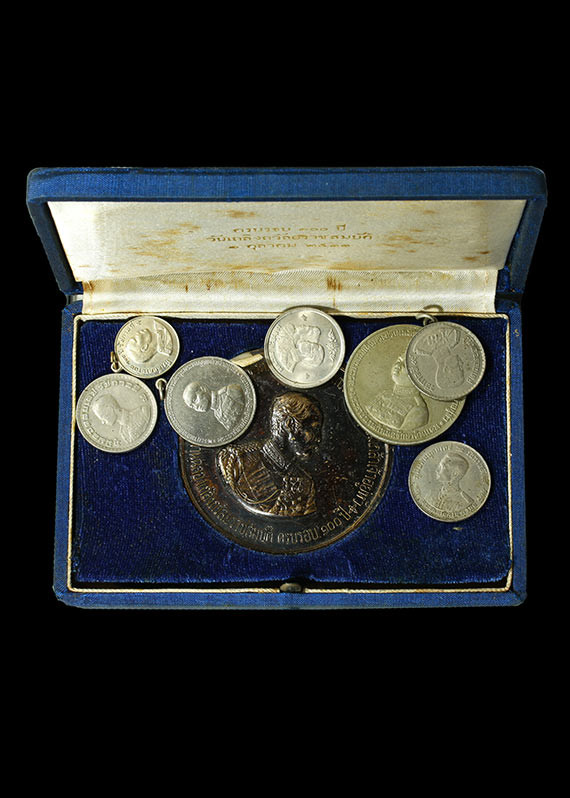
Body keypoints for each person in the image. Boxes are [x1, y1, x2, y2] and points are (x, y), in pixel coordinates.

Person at [217, 392, 323, 517]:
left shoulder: (305, 484)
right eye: (314, 429)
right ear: (289, 424)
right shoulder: (235, 459)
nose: (318, 438)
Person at [366, 355, 429, 431]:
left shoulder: (419, 410)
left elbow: (403, 430)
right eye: (399, 361)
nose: (398, 365)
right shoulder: (384, 394)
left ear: (419, 377)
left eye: (406, 365)